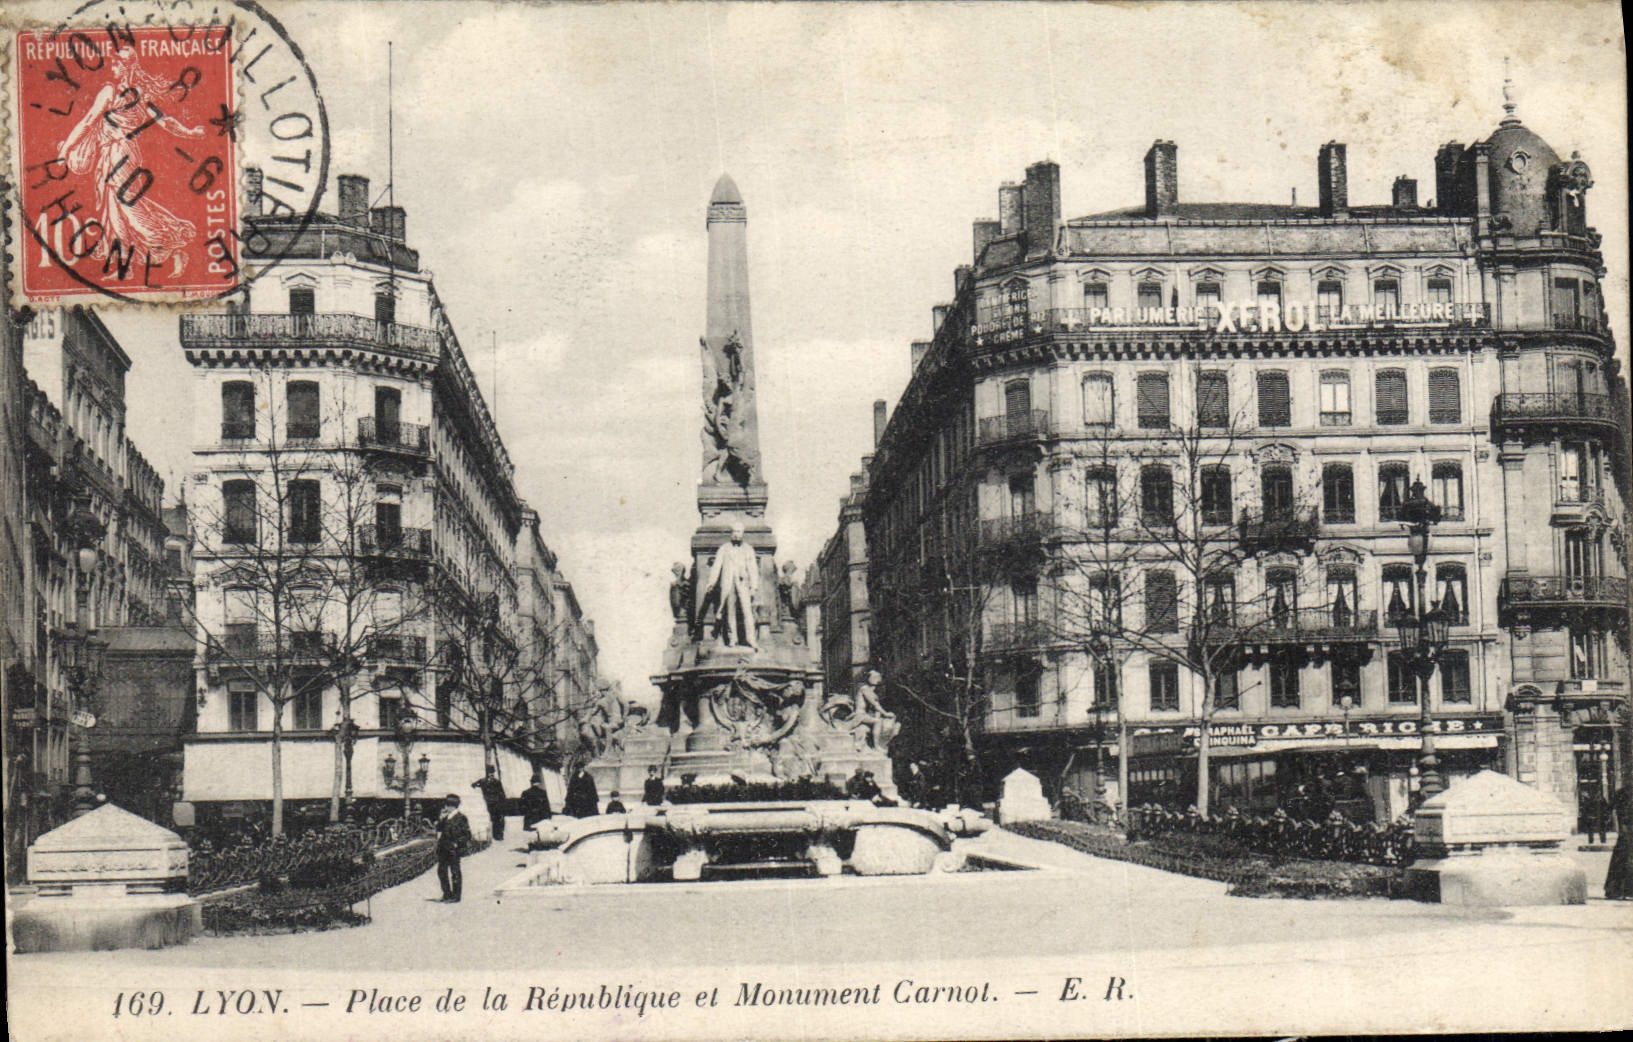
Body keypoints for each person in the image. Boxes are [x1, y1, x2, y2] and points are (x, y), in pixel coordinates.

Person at [435, 794, 473, 903]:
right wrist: (441, 819)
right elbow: (439, 829)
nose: (445, 808)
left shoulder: (461, 818)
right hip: (443, 849)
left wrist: (457, 843)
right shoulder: (446, 817)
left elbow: (467, 835)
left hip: (453, 850)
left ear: (452, 806)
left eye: (446, 805)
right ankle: (447, 894)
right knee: (441, 871)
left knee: (455, 872)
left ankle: (456, 896)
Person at [1606, 784, 1632, 901]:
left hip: (1624, 831)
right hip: (1627, 830)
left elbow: (1610, 808)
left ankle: (1614, 890)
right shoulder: (1623, 793)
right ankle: (1626, 891)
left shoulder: (1620, 792)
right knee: (1626, 859)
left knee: (1620, 859)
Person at [472, 767, 507, 841]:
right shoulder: (482, 781)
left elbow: (502, 793)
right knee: (490, 819)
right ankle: (489, 835)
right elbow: (473, 785)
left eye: (492, 773)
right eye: (489, 773)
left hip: (496, 803)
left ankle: (498, 835)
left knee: (498, 819)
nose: (491, 774)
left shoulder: (497, 782)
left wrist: (501, 802)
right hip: (487, 803)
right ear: (487, 773)